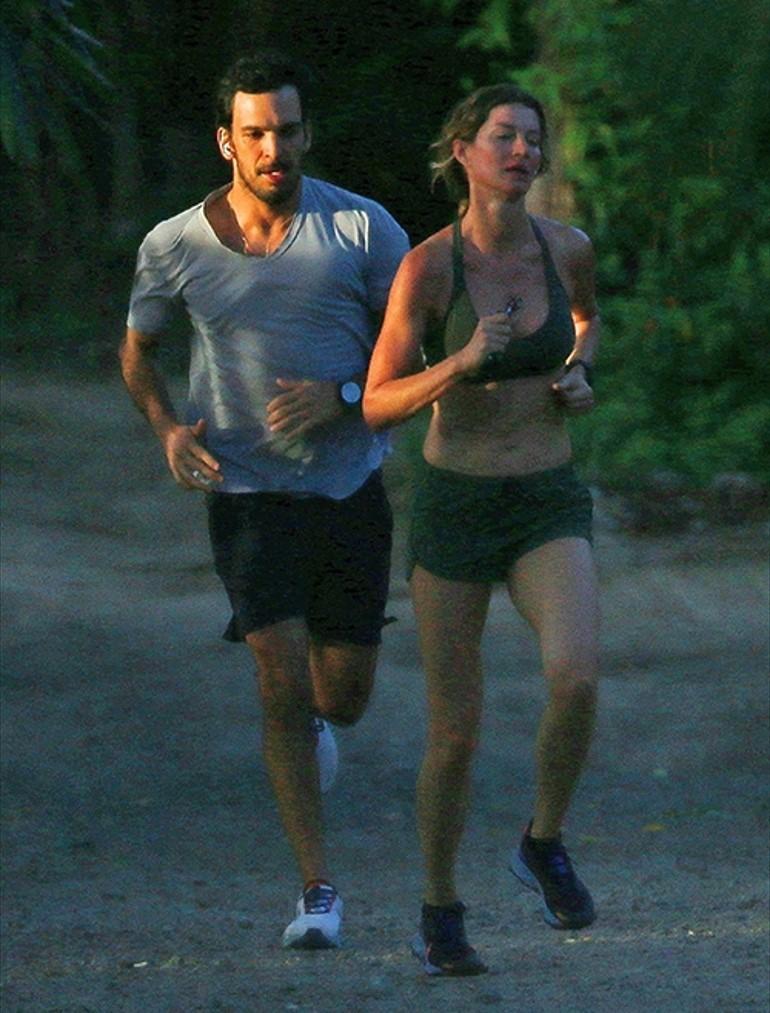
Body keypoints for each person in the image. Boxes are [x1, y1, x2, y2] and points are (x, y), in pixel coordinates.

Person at [119, 50, 409, 951]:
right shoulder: (175, 245)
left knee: (342, 695)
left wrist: (346, 396)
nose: (272, 148)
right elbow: (137, 353)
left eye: (285, 130)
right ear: (226, 141)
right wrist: (169, 429)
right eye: (255, 133)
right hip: (245, 492)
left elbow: (413, 351)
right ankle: (317, 889)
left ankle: (323, 720)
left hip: (347, 486)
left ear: (306, 134)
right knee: (278, 682)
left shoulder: (362, 229)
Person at [364, 83, 600, 975]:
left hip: (545, 494)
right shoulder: (429, 268)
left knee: (576, 676)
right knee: (455, 732)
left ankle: (543, 840)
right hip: (456, 503)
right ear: (462, 150)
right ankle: (439, 907)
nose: (522, 152)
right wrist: (459, 362)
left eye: (533, 139)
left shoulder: (566, 248)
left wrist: (580, 373)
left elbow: (588, 323)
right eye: (504, 136)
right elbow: (377, 402)